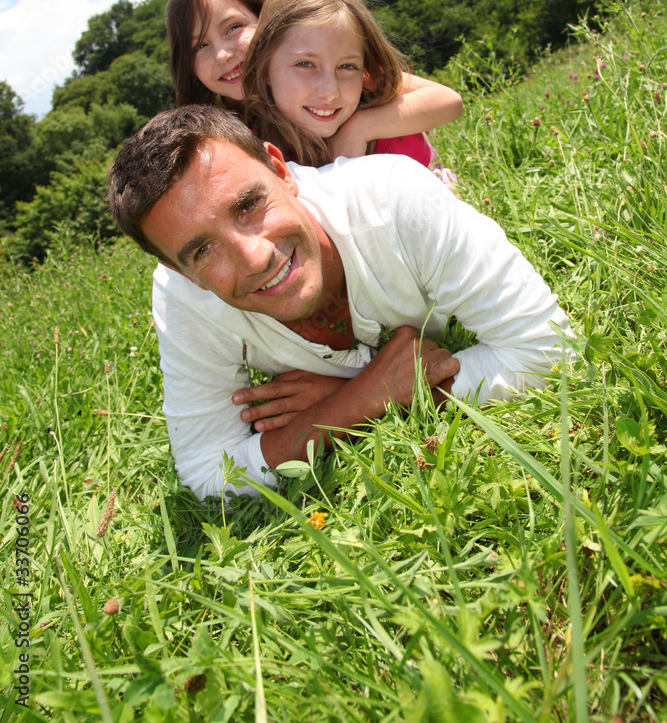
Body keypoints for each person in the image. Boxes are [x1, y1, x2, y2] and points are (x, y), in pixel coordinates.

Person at [107, 105, 573, 503]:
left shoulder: (393, 195)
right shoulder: (181, 299)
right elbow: (209, 472)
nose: (256, 257)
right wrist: (358, 399)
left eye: (248, 204)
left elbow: (550, 349)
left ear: (280, 170)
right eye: (202, 251)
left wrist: (348, 400)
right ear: (180, 272)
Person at [166, 0, 463, 170]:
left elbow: (448, 101)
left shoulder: (344, 74)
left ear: (268, 22)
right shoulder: (226, 139)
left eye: (233, 28)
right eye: (200, 46)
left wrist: (359, 128)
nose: (222, 55)